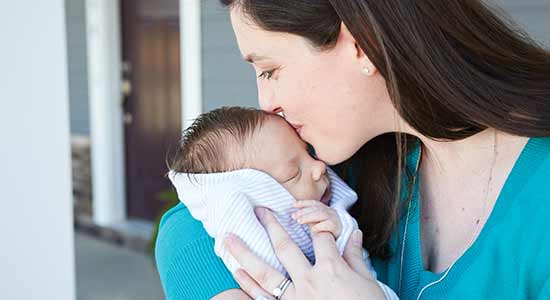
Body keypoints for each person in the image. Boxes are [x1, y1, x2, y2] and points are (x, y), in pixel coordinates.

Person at [155, 1, 550, 299]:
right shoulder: (345, 157)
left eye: (270, 70)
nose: (266, 102)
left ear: (361, 45)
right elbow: (191, 214)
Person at [165, 106, 398, 299]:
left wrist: (339, 227)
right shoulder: (249, 258)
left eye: (310, 154)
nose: (319, 167)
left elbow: (351, 246)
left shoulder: (330, 204)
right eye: (293, 174)